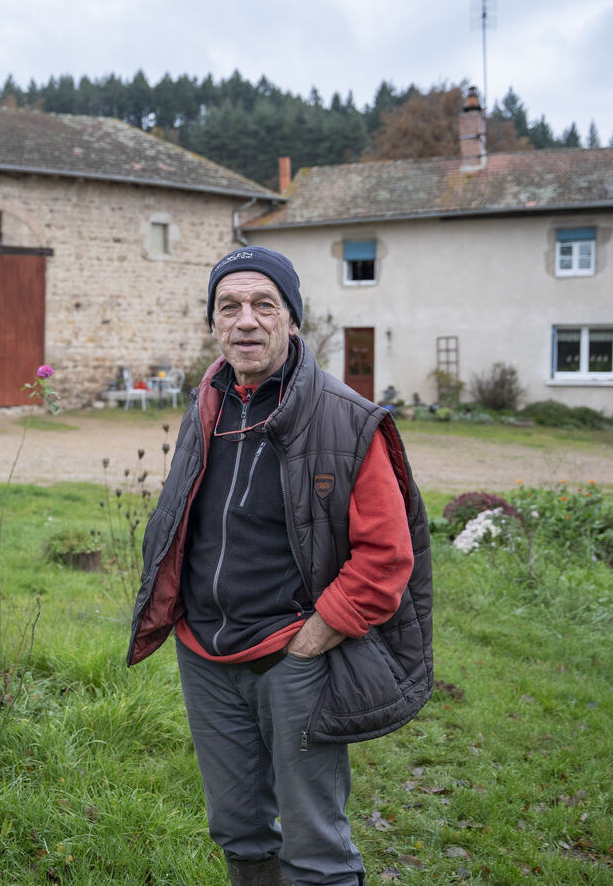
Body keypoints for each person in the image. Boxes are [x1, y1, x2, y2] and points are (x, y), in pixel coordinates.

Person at [127, 247, 433, 886]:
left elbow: (387, 556)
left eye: (264, 305)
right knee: (238, 827)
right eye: (229, 307)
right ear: (214, 323)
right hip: (205, 653)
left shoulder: (345, 420)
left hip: (292, 655)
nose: (246, 320)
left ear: (293, 319)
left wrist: (315, 637)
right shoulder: (207, 403)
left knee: (316, 844)